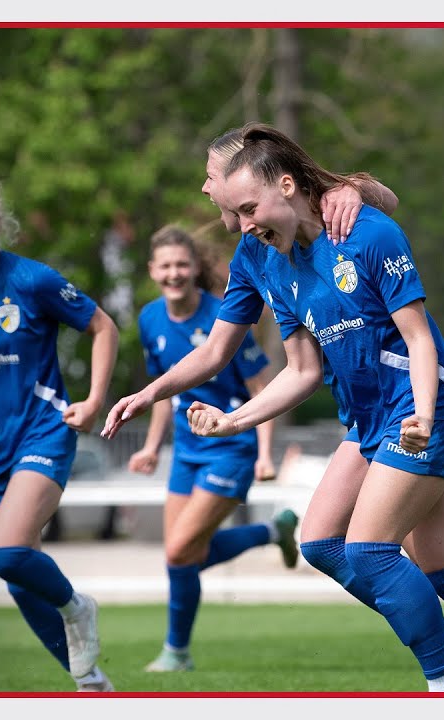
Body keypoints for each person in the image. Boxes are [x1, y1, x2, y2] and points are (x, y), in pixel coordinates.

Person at [183, 124, 444, 693]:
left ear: (278, 183)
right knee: (359, 552)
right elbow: (301, 370)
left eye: (213, 178)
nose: (205, 189)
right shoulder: (269, 255)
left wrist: (420, 414)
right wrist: (231, 419)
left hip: (429, 409)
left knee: (370, 552)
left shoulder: (362, 230)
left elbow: (418, 337)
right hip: (372, 420)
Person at [0, 169, 121, 692]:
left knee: (6, 553)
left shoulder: (32, 280)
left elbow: (104, 326)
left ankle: (78, 608)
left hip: (44, 430)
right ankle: (91, 683)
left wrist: (94, 400)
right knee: (15, 575)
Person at [129, 223, 300, 672]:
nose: (174, 273)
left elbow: (263, 387)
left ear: (195, 267)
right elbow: (163, 390)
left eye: (181, 264)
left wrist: (265, 452)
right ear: (152, 271)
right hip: (186, 451)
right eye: (165, 266)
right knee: (182, 556)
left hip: (232, 444)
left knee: (179, 550)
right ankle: (178, 653)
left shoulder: (226, 317)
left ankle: (175, 652)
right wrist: (150, 447)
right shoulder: (149, 319)